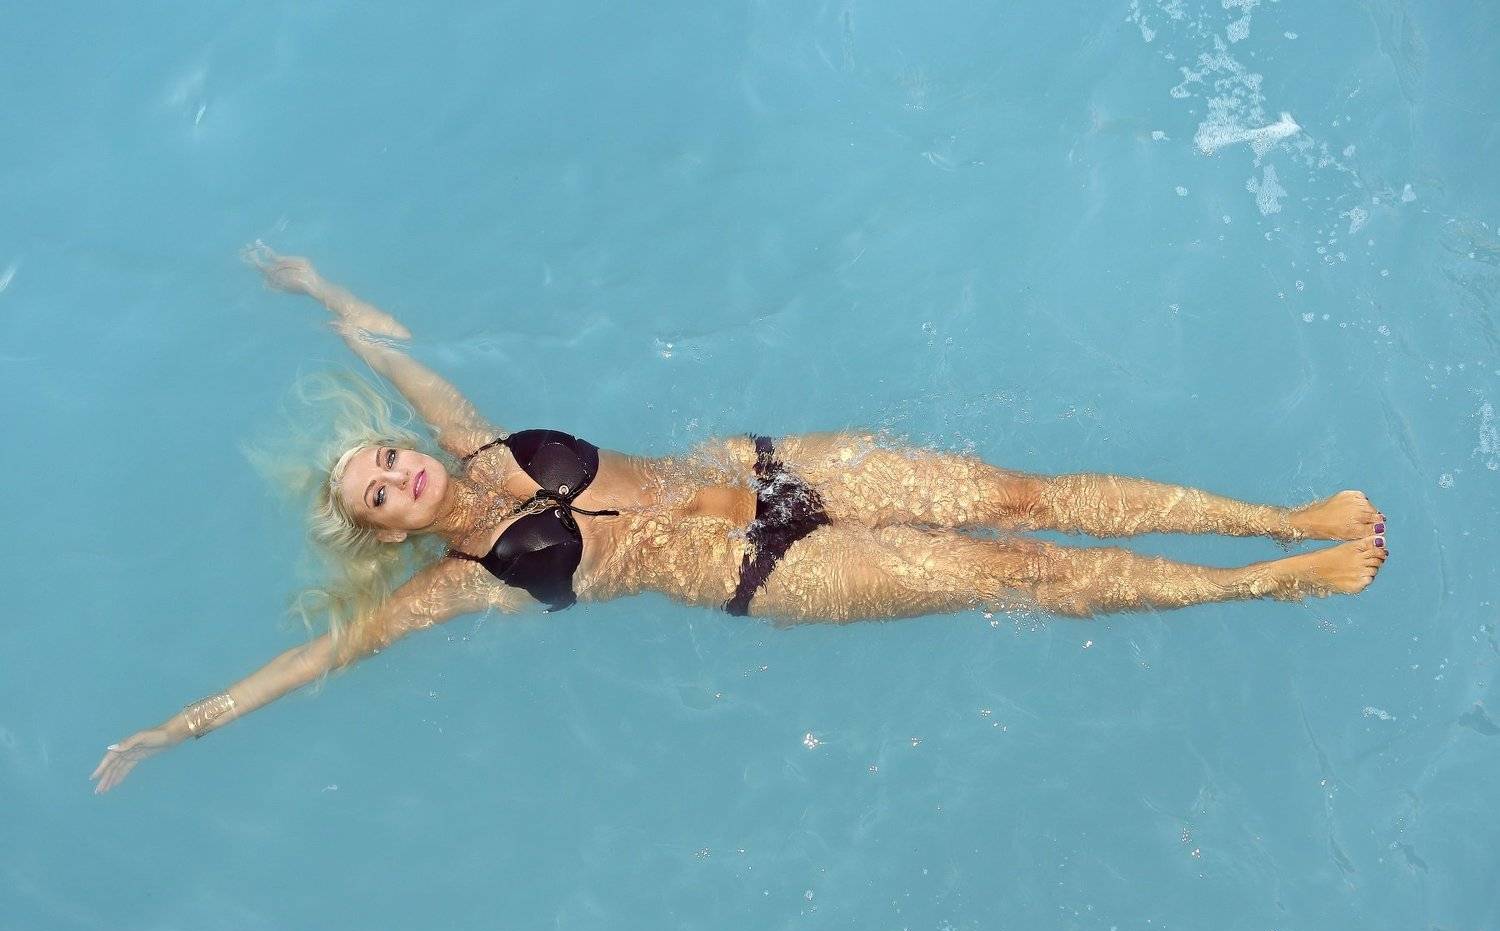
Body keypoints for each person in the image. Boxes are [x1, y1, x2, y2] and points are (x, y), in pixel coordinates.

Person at [90, 246, 1388, 793]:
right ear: (383, 535)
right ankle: (1267, 582)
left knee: (1019, 494)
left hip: (768, 469)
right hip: (766, 571)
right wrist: (179, 725)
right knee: (1021, 568)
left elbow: (392, 346)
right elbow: (324, 653)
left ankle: (1279, 519)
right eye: (377, 496)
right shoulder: (465, 578)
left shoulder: (468, 437)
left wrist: (321, 295)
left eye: (384, 459)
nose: (396, 476)